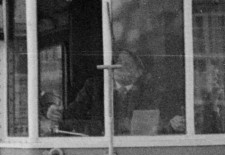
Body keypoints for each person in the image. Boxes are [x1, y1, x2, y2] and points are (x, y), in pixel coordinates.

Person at [52, 48, 184, 135]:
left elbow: (164, 121)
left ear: (139, 72)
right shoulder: (94, 87)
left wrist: (173, 124)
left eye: (127, 64)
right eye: (117, 62)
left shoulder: (151, 92)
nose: (118, 67)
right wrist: (56, 113)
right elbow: (72, 112)